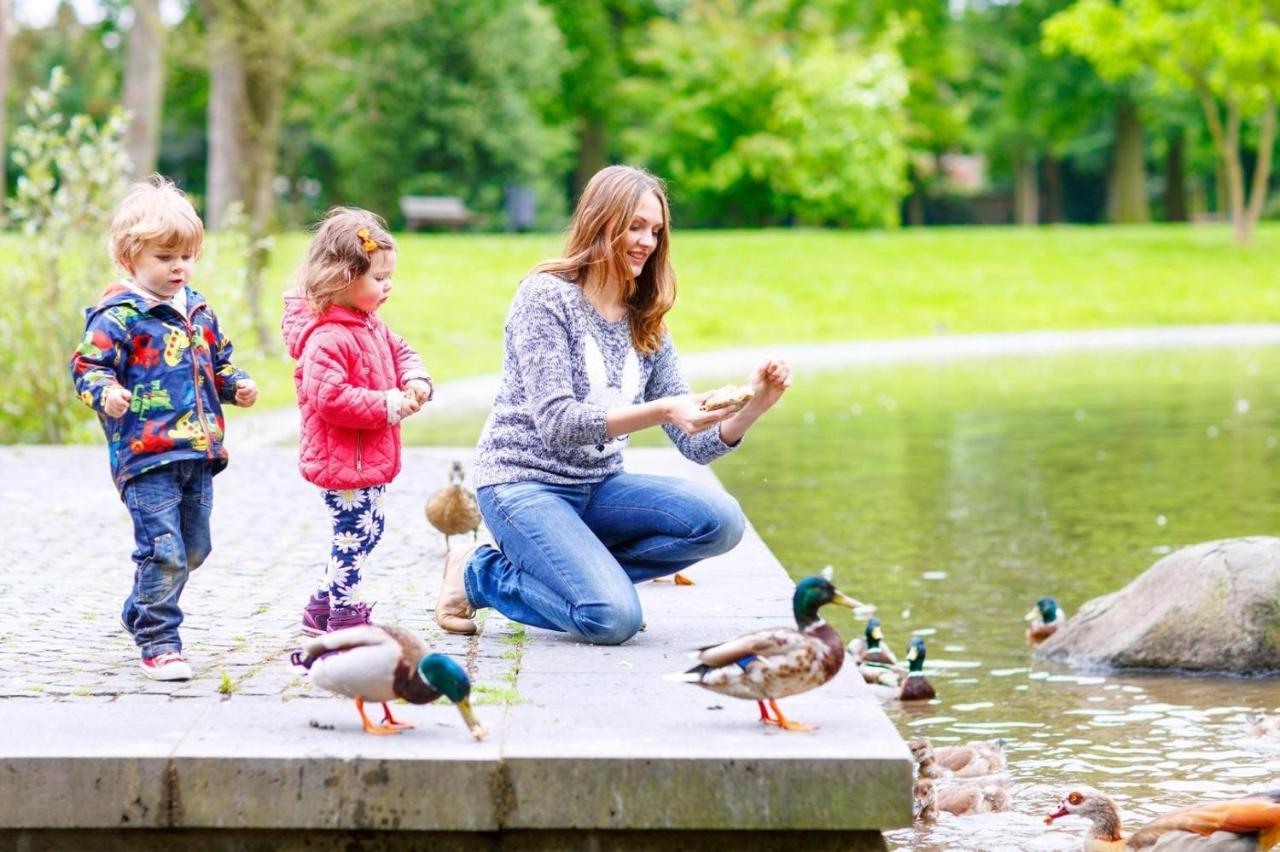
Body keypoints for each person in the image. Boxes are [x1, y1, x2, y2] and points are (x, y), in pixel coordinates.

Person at [434, 165, 791, 644]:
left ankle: (589, 576)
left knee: (721, 522)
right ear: (601, 223)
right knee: (612, 619)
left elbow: (697, 446)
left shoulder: (646, 321)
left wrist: (754, 406)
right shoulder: (545, 298)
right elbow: (558, 422)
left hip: (599, 487)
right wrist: (664, 409)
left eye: (656, 231)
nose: (647, 241)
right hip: (522, 485)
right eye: (635, 226)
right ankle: (479, 573)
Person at [70, 175, 258, 681]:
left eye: (186, 256)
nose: (179, 267)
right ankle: (159, 642)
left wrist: (235, 384)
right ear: (130, 259)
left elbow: (217, 365)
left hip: (198, 453)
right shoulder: (119, 316)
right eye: (165, 257)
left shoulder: (197, 310)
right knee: (164, 551)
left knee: (194, 549)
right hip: (145, 455)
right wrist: (106, 394)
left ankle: (139, 608)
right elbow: (88, 368)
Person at [281, 208, 433, 635]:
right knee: (351, 534)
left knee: (369, 529)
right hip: (342, 459)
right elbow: (329, 398)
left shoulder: (369, 324)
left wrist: (416, 377)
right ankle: (345, 613)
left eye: (389, 278)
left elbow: (401, 350)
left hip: (368, 458)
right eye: (379, 279)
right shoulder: (327, 336)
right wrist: (388, 405)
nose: (388, 287)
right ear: (343, 279)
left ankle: (320, 605)